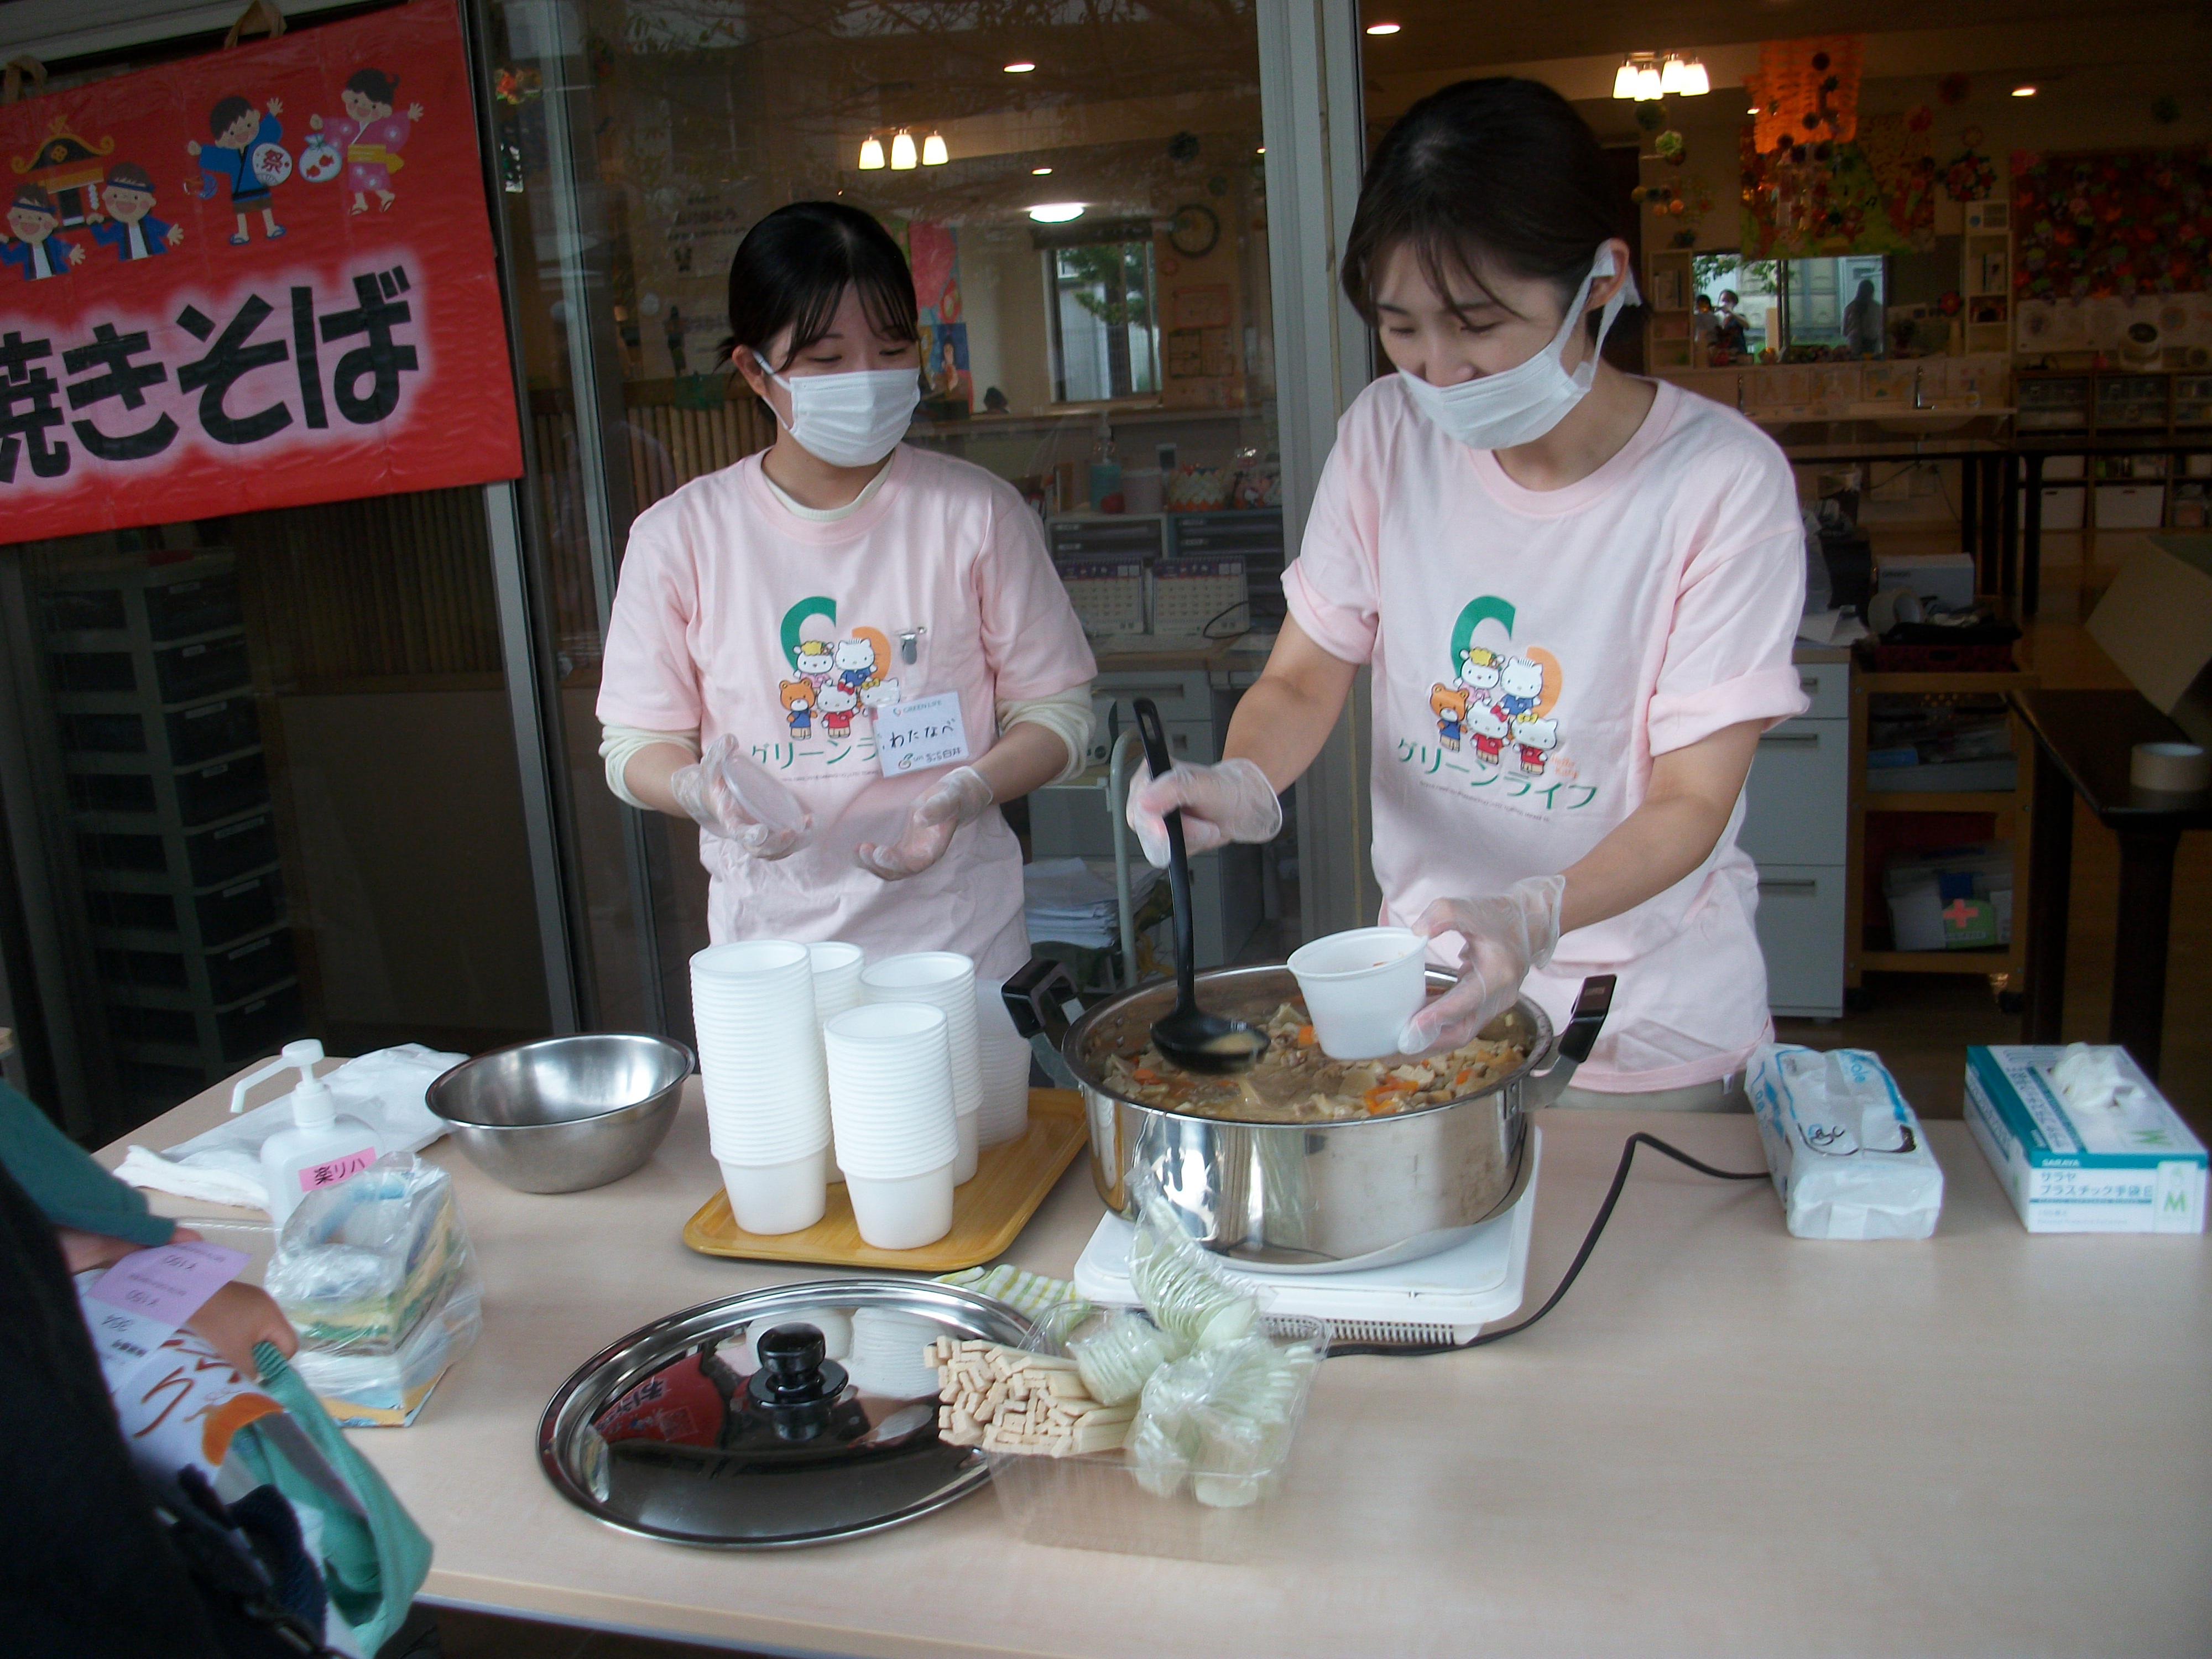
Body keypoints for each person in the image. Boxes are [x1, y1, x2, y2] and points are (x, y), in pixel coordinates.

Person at [1128, 79, 1808, 1108]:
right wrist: (1244, 777)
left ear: (1600, 282)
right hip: (1426, 998)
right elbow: (1306, 674)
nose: (1439, 372)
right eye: (1402, 329)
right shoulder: (1385, 436)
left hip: (1641, 1020)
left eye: (1479, 325)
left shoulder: (1720, 483)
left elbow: (1694, 798)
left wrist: (1538, 912)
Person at [598, 201, 1097, 976]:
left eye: (892, 350)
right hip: (769, 963)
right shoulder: (681, 537)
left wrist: (969, 789)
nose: (865, 381)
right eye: (827, 360)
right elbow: (635, 745)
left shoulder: (977, 515)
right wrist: (698, 791)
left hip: (956, 951)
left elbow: (1057, 716)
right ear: (753, 372)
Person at [1841, 278, 1884, 357]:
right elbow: (1881, 328)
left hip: (1854, 346)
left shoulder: (1850, 308)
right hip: (1874, 347)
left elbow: (1844, 332)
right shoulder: (1878, 308)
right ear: (1872, 292)